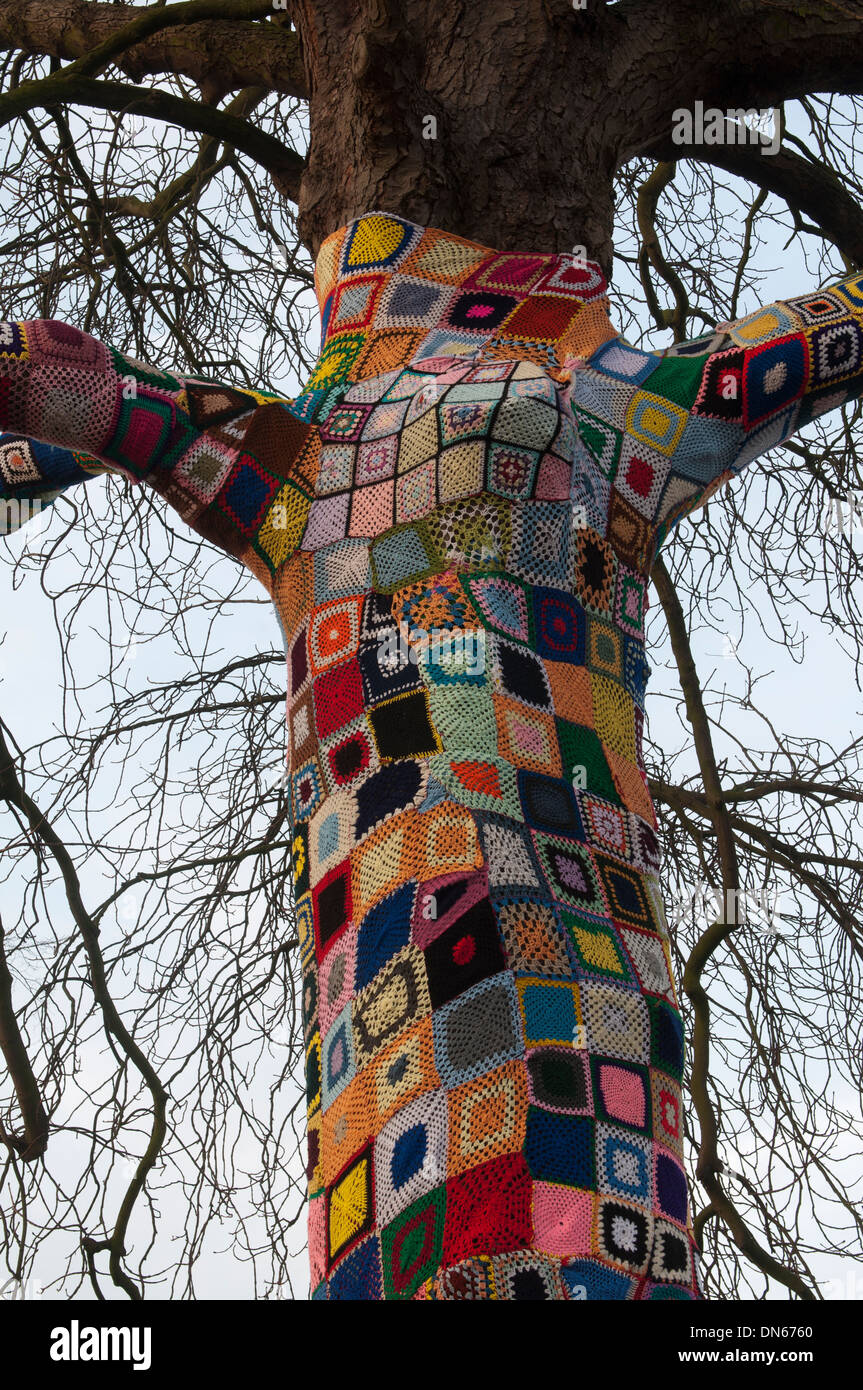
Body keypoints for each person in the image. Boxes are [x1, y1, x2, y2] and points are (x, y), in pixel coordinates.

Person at [3, 210, 861, 1300]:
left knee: (446, 1194)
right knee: (571, 1195)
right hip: (549, 918)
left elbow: (128, 418)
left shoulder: (317, 443)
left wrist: (76, 401)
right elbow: (792, 349)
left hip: (395, 915)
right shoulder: (583, 401)